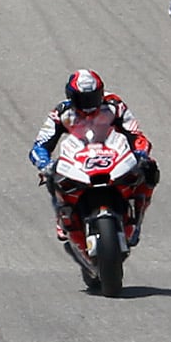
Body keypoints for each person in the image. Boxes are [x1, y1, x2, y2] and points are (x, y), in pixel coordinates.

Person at [28, 69, 160, 245]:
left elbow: (136, 134)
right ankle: (62, 214)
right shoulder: (61, 113)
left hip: (111, 152)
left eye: (93, 97)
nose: (89, 104)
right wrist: (45, 164)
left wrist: (141, 153)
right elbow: (40, 145)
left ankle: (137, 215)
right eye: (83, 99)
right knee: (53, 175)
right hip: (79, 157)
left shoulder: (114, 105)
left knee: (149, 169)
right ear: (71, 97)